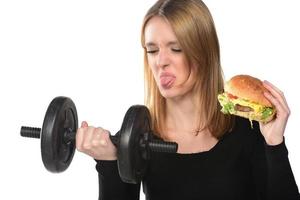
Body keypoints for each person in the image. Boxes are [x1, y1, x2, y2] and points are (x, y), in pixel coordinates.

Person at [76, 0, 300, 199]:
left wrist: (274, 145)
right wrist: (109, 162)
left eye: (176, 48)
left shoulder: (248, 131)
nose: (161, 62)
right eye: (152, 51)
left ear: (203, 53)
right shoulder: (136, 140)